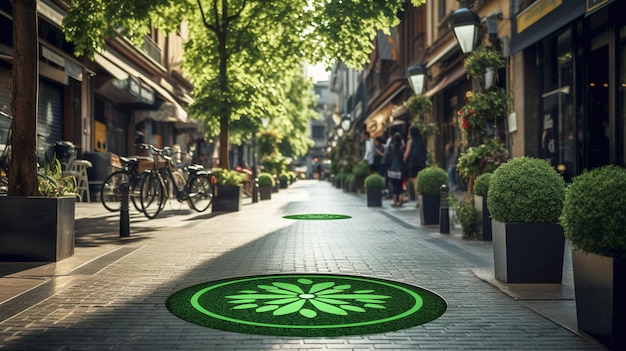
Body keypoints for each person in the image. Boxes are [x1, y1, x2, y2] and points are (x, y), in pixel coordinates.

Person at [403, 126, 426, 207]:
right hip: (421, 164)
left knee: (415, 183)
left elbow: (406, 153)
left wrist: (403, 161)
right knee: (419, 182)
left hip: (413, 164)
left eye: (409, 132)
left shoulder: (410, 141)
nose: (408, 134)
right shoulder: (421, 141)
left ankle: (419, 200)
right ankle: (419, 200)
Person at [385, 132, 406, 207]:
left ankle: (394, 202)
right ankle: (400, 199)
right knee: (400, 185)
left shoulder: (391, 147)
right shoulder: (402, 148)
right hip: (400, 170)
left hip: (391, 170)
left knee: (394, 186)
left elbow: (386, 158)